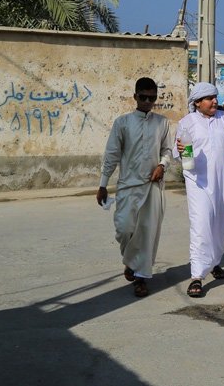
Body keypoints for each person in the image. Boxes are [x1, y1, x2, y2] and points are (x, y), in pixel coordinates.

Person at [97, 77, 172, 298]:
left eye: (152, 98)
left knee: (147, 233)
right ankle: (130, 261)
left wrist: (162, 165)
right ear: (135, 97)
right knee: (124, 228)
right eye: (144, 97)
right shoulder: (122, 123)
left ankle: (141, 277)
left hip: (152, 186)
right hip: (128, 186)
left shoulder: (162, 123)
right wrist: (103, 184)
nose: (148, 102)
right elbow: (111, 155)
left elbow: (167, 150)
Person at [174, 82, 224, 298]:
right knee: (201, 225)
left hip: (223, 181)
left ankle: (215, 262)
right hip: (198, 183)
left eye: (214, 97)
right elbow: (181, 155)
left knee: (220, 224)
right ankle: (197, 276)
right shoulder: (187, 123)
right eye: (209, 98)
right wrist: (181, 150)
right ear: (197, 102)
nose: (214, 101)